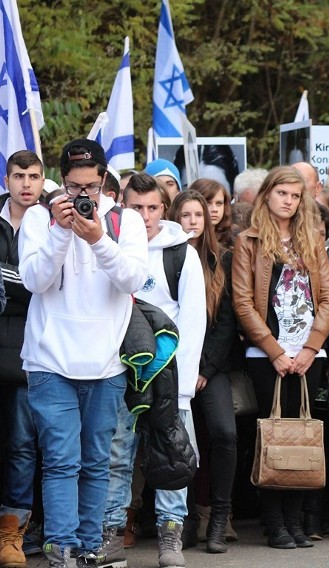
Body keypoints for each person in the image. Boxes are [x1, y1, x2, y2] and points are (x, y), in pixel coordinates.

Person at [19, 139, 147, 568]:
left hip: (106, 362)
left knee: (96, 462)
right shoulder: (40, 218)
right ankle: (61, 547)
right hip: (49, 361)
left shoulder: (125, 221)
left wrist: (98, 240)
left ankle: (91, 547)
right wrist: (60, 231)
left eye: (91, 188)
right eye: (74, 188)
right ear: (62, 183)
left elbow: (132, 278)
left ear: (105, 180)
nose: (82, 197)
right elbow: (34, 280)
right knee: (60, 461)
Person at [104, 173, 207, 568]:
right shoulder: (107, 247)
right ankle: (111, 532)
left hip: (168, 377)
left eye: (152, 208)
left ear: (164, 209)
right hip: (119, 371)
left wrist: (183, 385)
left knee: (171, 456)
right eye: (136, 208)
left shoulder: (181, 253)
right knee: (116, 456)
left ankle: (170, 531)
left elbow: (194, 320)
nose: (145, 216)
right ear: (122, 208)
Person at [231, 166, 329, 550]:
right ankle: (274, 522)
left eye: (295, 196)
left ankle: (295, 522)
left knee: (302, 437)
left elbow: (327, 299)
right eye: (282, 194)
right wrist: (275, 351)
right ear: (267, 195)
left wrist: (310, 348)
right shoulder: (249, 241)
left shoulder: (313, 238)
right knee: (273, 436)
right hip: (266, 354)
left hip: (311, 354)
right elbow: (243, 302)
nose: (289, 201)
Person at [168, 190, 238, 554]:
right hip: (170, 366)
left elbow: (226, 321)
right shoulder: (164, 256)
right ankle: (186, 519)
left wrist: (205, 368)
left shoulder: (221, 258)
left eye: (199, 214)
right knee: (179, 444)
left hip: (210, 367)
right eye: (185, 214)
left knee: (224, 433)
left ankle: (219, 518)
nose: (193, 220)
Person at [0, 151, 43, 565]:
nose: (26, 183)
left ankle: (12, 532)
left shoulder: (52, 219)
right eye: (18, 176)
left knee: (22, 446)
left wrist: (7, 278)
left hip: (33, 351)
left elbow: (44, 283)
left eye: (33, 176)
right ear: (7, 178)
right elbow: (28, 281)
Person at [189, 178, 233, 249]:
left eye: (219, 203)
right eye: (208, 203)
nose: (215, 209)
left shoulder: (232, 238)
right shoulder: (179, 239)